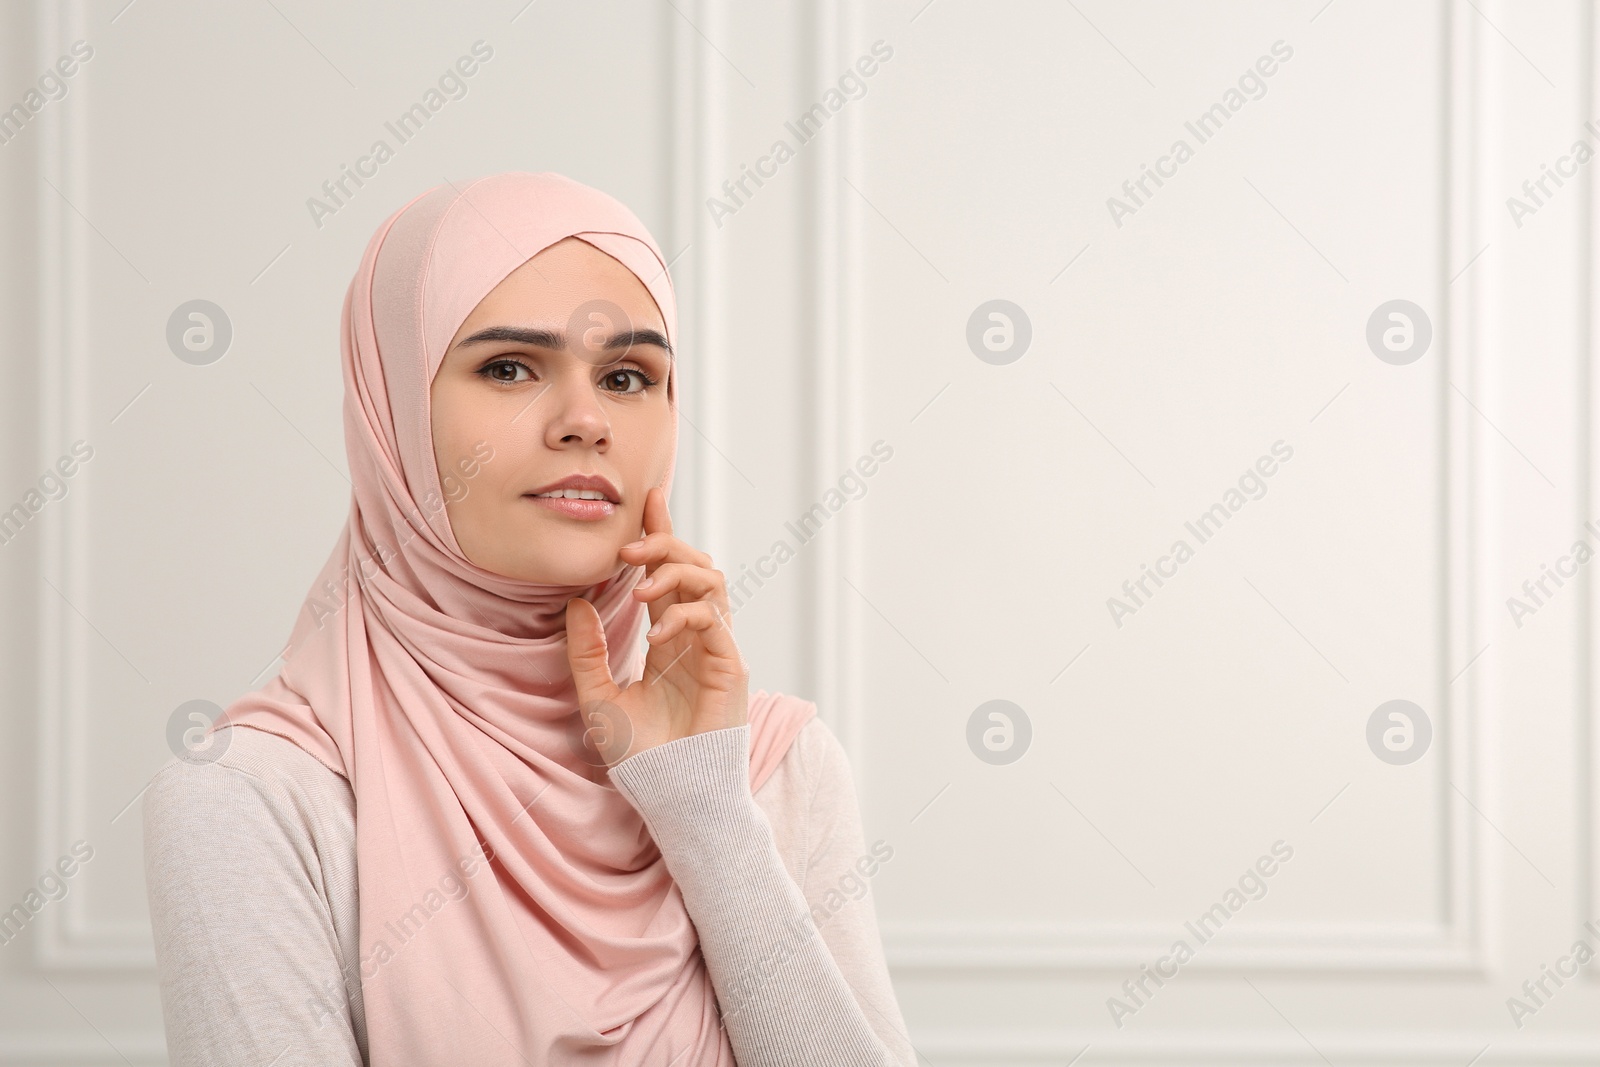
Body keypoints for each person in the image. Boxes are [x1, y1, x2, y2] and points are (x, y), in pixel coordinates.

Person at [141, 172, 915, 1066]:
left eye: (628, 376)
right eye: (509, 368)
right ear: (391, 409)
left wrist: (703, 807)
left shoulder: (776, 765)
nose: (585, 420)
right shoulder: (251, 800)